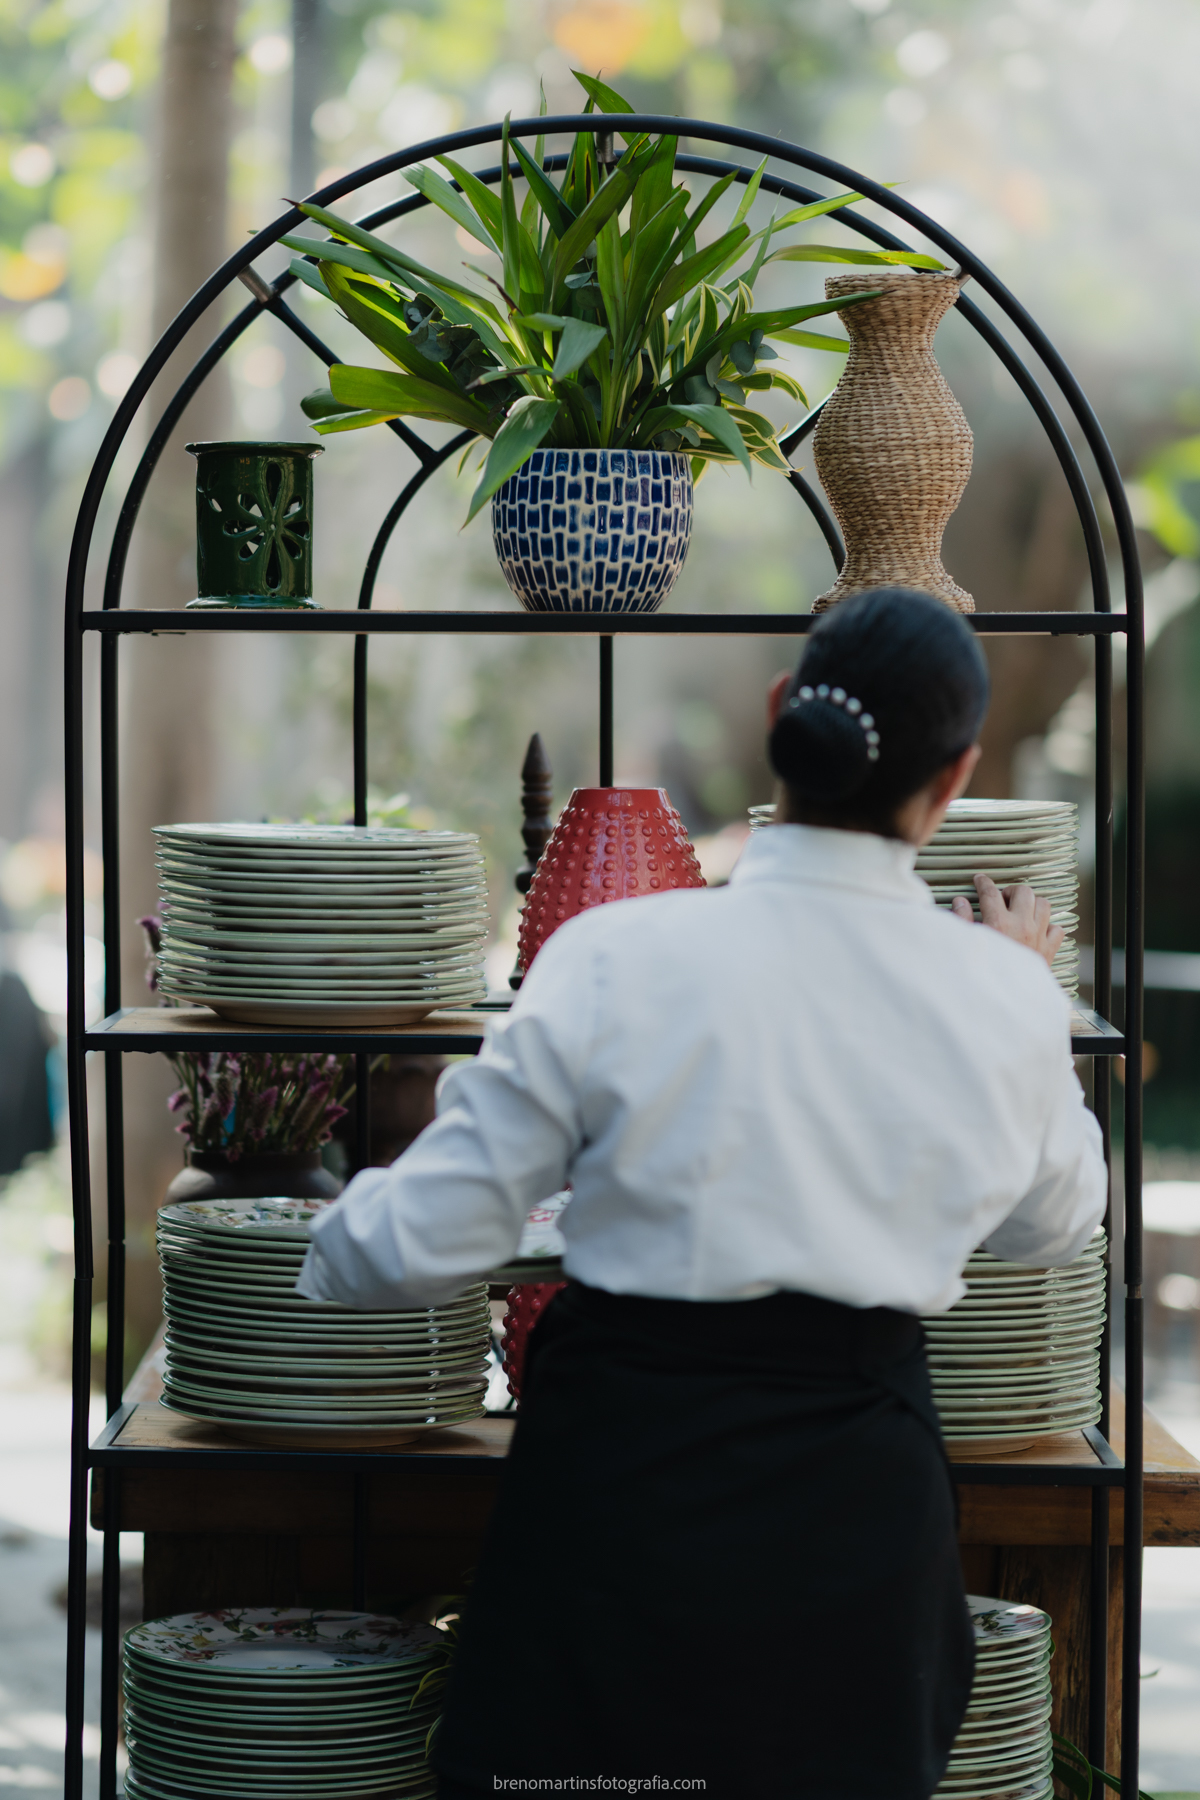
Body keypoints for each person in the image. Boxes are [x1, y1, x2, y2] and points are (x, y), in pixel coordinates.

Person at [297, 587, 1107, 1800]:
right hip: (853, 1531)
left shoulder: (618, 955)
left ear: (783, 716)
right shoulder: (1003, 998)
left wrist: (318, 1244)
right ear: (954, 783)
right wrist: (1018, 993)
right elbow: (1055, 1219)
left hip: (616, 1512)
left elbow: (412, 1241)